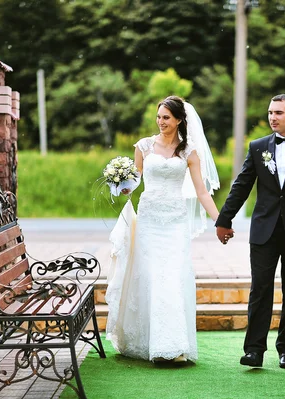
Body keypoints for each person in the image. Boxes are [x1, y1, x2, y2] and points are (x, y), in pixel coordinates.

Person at [215, 94, 285, 369]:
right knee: (260, 290)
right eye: (270, 112)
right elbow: (241, 185)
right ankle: (254, 350)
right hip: (264, 232)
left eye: (278, 112)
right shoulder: (257, 147)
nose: (272, 117)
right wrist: (224, 220)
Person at [105, 95, 220, 364]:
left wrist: (220, 220)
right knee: (152, 277)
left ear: (179, 119)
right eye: (159, 117)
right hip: (149, 221)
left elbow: (201, 192)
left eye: (166, 117)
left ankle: (175, 346)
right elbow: (133, 182)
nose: (161, 122)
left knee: (173, 276)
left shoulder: (189, 151)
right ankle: (151, 343)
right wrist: (118, 184)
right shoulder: (144, 146)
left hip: (175, 222)